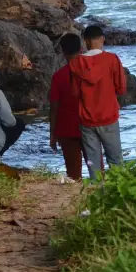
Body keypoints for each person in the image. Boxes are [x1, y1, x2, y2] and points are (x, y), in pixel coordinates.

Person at [71, 25, 126, 179]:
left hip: (87, 119)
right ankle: (119, 193)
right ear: (102, 39)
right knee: (115, 160)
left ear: (85, 40)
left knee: (93, 163)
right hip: (108, 116)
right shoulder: (112, 60)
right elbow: (121, 88)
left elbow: (75, 93)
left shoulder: (75, 64)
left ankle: (97, 193)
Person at [49, 34, 87, 180]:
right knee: (96, 169)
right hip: (90, 125)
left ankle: (76, 198)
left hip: (67, 129)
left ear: (63, 51)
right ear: (81, 48)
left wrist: (52, 134)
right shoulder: (89, 73)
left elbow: (54, 107)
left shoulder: (58, 76)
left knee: (73, 174)